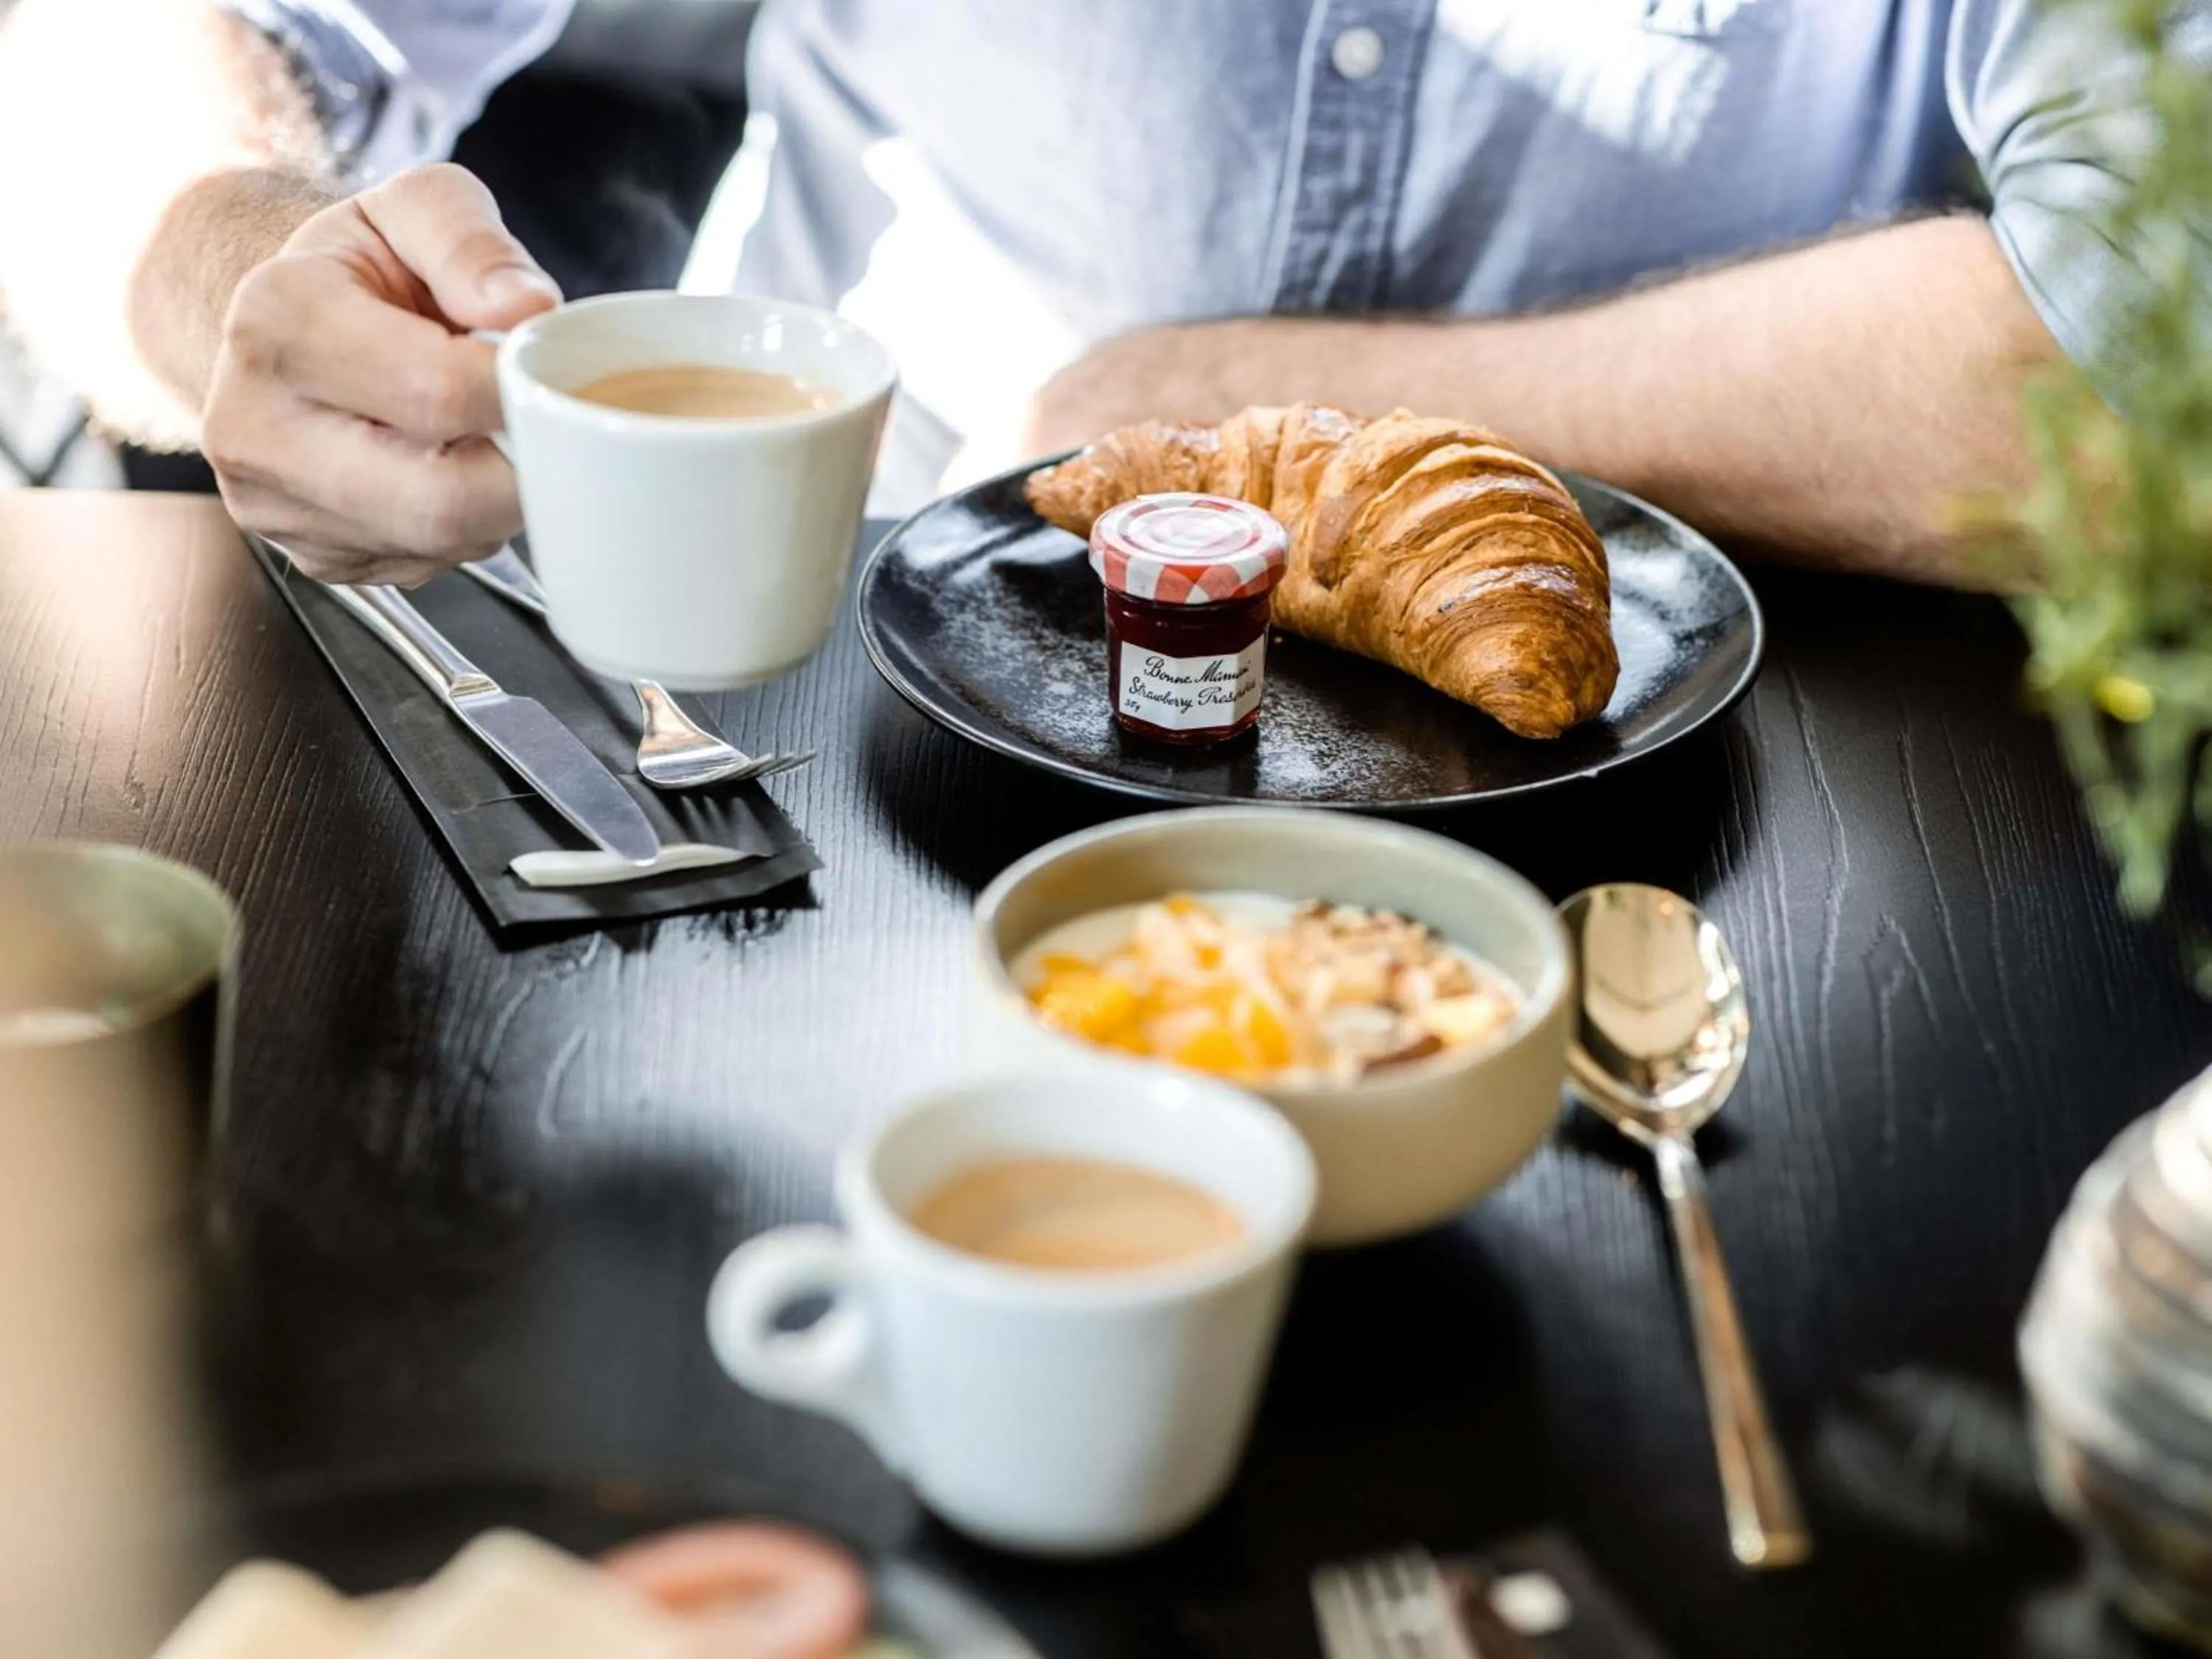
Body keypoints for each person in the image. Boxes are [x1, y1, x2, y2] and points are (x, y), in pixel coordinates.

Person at [0, 1, 2197, 589]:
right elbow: (111, 62)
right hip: (803, 727)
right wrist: (223, 267)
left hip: (1671, 817)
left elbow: (2145, 366)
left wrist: (1227, 405)